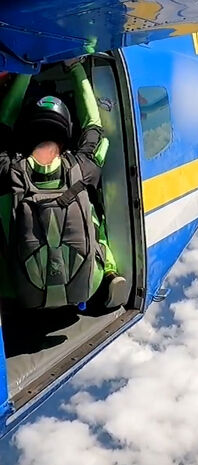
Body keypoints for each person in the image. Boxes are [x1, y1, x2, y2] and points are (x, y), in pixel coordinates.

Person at [0, 57, 127, 311]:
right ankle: (109, 272)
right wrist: (75, 67)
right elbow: (94, 125)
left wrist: (27, 70)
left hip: (18, 290)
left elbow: (3, 124)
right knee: (92, 210)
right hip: (87, 285)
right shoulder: (82, 166)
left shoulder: (9, 170)